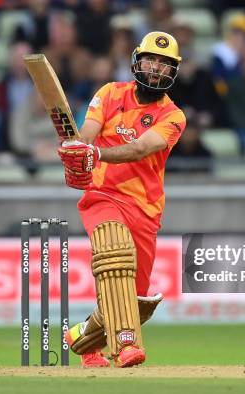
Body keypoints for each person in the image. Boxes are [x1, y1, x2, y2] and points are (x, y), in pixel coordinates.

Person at [58, 31, 186, 368]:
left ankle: (83, 339)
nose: (156, 68)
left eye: (164, 63)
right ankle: (126, 345)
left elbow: (141, 148)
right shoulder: (110, 93)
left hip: (144, 208)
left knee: (136, 302)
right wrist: (78, 149)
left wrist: (95, 153)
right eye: (151, 60)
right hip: (102, 195)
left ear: (173, 72)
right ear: (137, 61)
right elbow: (87, 132)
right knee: (115, 253)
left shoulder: (173, 116)